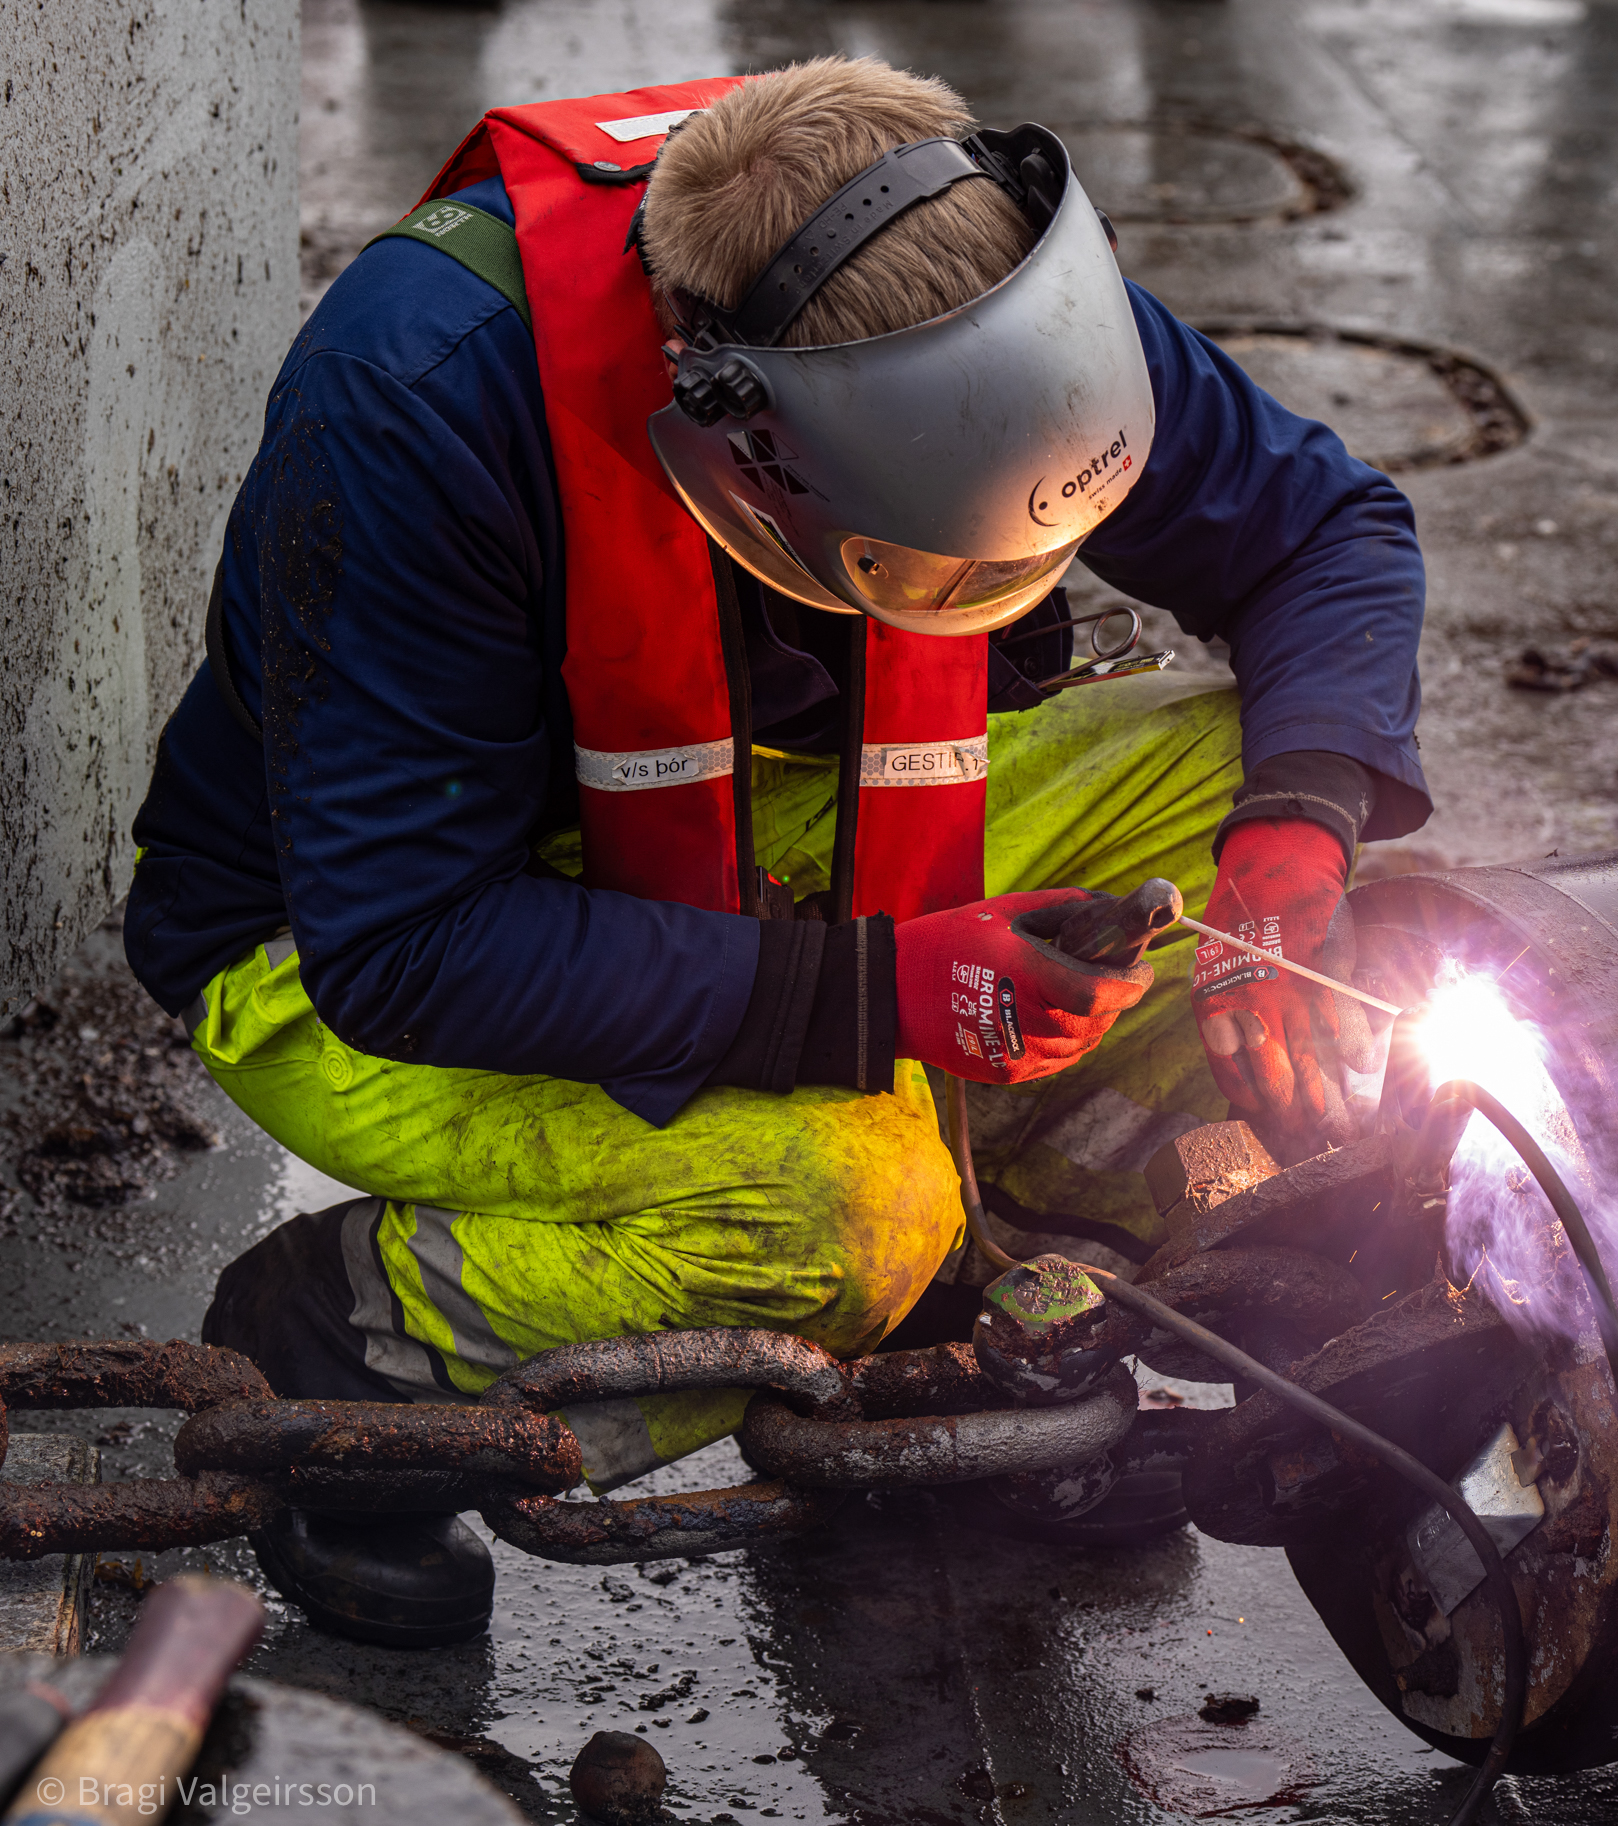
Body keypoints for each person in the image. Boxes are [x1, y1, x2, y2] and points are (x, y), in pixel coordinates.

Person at [125, 56, 1429, 1645]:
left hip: (756, 822)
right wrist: (875, 992)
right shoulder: (416, 400)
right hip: (355, 940)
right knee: (843, 1215)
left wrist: (1294, 835)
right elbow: (405, 943)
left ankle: (991, 1290)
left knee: (1256, 764)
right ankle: (369, 1350)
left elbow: (1326, 529)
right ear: (752, 446)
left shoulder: (971, 287)